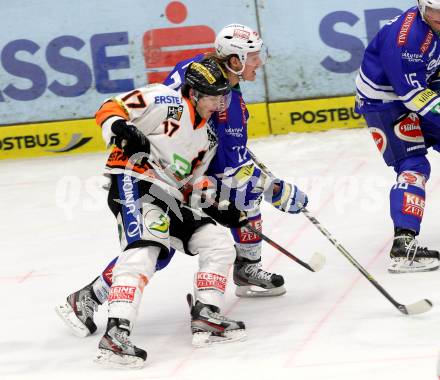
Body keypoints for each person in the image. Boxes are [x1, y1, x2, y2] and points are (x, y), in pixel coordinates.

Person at [57, 58, 250, 368]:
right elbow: (110, 107)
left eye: (223, 96)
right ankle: (116, 334)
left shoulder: (208, 138)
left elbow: (188, 185)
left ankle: (207, 315)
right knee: (144, 251)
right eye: (214, 97)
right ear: (195, 94)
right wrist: (120, 127)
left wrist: (217, 207)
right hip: (133, 181)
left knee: (217, 241)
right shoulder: (164, 98)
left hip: (169, 195)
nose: (219, 103)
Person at [164, 23, 308, 297]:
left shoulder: (194, 65)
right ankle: (95, 295)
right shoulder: (227, 104)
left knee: (155, 246)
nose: (259, 63)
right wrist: (276, 190)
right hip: (171, 175)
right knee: (156, 247)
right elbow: (230, 170)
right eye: (254, 57)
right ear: (235, 61)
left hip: (164, 159)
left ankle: (247, 268)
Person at [355, 0, 440, 273]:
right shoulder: (408, 38)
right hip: (384, 102)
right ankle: (404, 243)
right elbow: (413, 95)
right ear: (421, 7)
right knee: (413, 165)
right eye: (434, 11)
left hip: (420, 90)